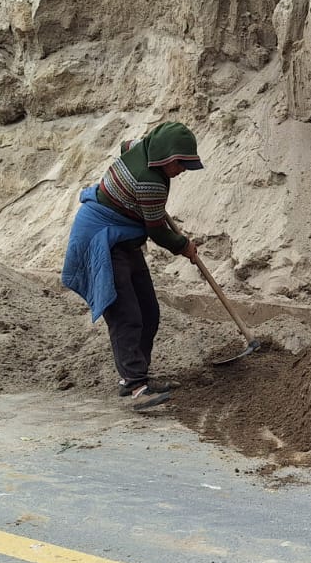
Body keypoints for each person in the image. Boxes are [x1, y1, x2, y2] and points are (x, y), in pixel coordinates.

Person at [62, 122, 204, 410]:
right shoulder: (150, 182)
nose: (182, 171)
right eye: (180, 164)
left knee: (149, 311)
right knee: (126, 314)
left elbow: (124, 145)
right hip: (102, 239)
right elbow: (158, 232)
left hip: (125, 236)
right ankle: (137, 386)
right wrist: (183, 246)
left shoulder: (142, 147)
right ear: (166, 158)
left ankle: (136, 376)